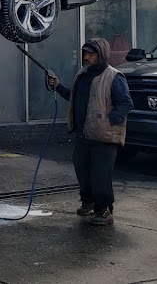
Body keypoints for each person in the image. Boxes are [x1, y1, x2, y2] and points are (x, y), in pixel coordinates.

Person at [46, 38, 133, 226]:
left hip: (104, 137)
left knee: (100, 175)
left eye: (90, 54)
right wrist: (58, 87)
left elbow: (126, 104)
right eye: (84, 53)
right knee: (83, 171)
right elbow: (74, 97)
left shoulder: (114, 77)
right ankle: (88, 202)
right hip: (83, 135)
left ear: (101, 54)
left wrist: (109, 121)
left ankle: (103, 210)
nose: (86, 57)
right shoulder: (82, 75)